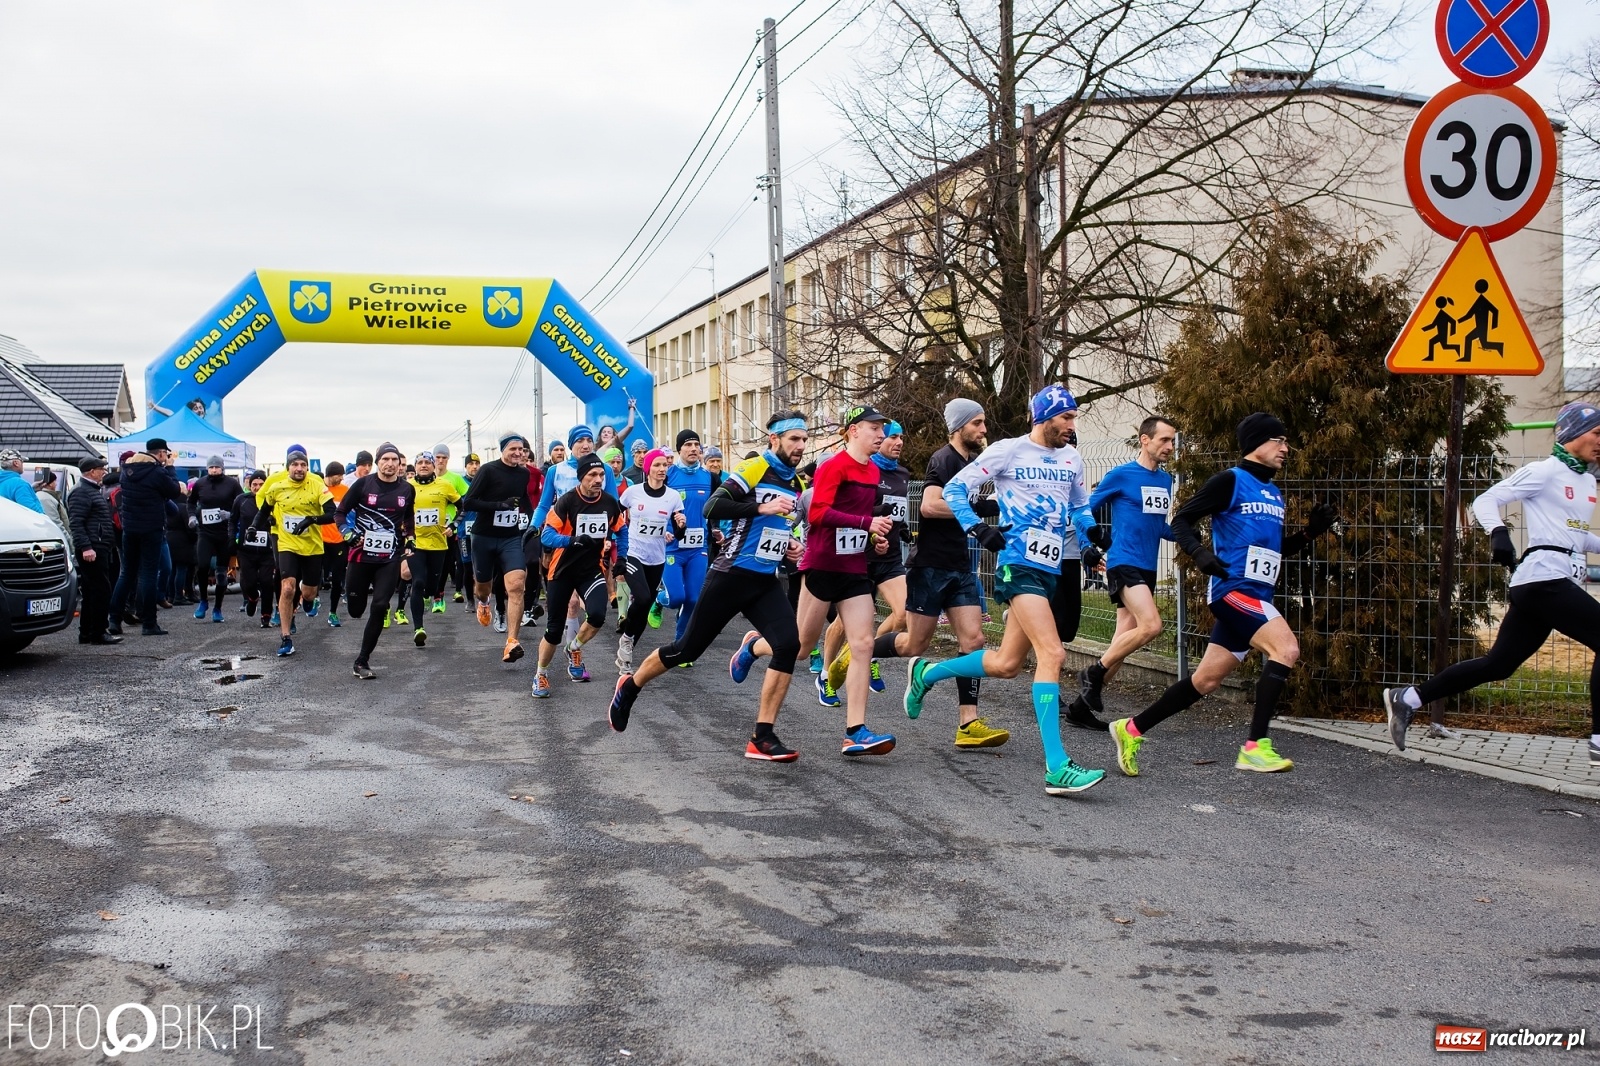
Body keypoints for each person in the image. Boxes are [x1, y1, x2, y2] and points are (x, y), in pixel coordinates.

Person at [1107, 412, 1337, 776]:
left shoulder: (1273, 493)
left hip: (1258, 594)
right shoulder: (1230, 480)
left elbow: (1275, 552)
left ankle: (1131, 728)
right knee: (1287, 649)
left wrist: (1310, 533)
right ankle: (1254, 747)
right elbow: (1182, 519)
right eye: (1279, 440)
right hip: (1232, 591)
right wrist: (1200, 555)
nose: (1285, 448)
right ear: (1257, 444)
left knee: (1206, 680)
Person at [904, 386, 1107, 794]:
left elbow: (1079, 506)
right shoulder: (1008, 450)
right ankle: (1057, 767)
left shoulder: (1072, 458)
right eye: (1066, 417)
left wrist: (1088, 541)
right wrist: (977, 527)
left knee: (1005, 663)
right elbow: (955, 491)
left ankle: (928, 673)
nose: (1072, 425)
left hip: (1049, 567)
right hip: (1018, 566)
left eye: (1074, 418)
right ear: (1045, 418)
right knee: (1053, 652)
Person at [1385, 402, 1600, 765]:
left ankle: (1408, 699)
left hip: (1550, 581)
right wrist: (1498, 532)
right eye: (1597, 432)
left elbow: (1577, 538)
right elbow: (1487, 500)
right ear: (1572, 433)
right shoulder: (1544, 471)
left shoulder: (1585, 480)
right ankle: (1598, 738)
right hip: (1543, 578)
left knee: (1498, 665)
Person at [609, 411, 809, 762]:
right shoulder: (755, 468)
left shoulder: (797, 483)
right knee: (686, 650)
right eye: (794, 439)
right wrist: (762, 507)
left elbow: (784, 523)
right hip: (731, 574)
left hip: (764, 579)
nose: (801, 446)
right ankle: (631, 685)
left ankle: (762, 736)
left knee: (789, 645)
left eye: (804, 440)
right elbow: (716, 505)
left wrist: (791, 543)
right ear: (775, 439)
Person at [746, 406, 901, 755]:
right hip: (821, 567)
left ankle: (855, 731)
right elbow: (817, 513)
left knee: (862, 644)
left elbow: (859, 518)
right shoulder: (834, 465)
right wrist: (866, 524)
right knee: (800, 648)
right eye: (875, 428)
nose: (880, 434)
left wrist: (873, 536)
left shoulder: (873, 470)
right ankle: (754, 646)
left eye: (883, 429)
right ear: (853, 431)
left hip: (854, 570)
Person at [854, 399, 1009, 747]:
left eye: (984, 423)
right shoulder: (944, 459)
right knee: (914, 643)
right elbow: (930, 505)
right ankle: (859, 652)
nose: (983, 430)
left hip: (960, 565)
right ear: (959, 427)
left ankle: (967, 724)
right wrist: (983, 507)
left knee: (974, 642)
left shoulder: (973, 463)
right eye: (977, 423)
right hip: (931, 567)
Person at [1069, 416, 1178, 728]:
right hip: (1122, 562)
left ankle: (1080, 709)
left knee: (1122, 640)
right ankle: (1092, 673)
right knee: (1152, 625)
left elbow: (1157, 526)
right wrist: (1086, 547)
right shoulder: (1121, 475)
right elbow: (1082, 509)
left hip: (1147, 567)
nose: (1170, 447)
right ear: (1145, 440)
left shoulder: (1166, 480)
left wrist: (1185, 536)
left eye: (1172, 441)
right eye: (1164, 440)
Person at [821, 420, 912, 704]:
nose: (897, 442)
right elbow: (846, 509)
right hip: (860, 554)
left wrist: (902, 526)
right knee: (842, 623)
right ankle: (825, 675)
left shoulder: (903, 474)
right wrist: (875, 514)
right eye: (891, 437)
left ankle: (870, 651)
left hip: (890, 555)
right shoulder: (863, 471)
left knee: (904, 614)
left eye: (900, 437)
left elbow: (896, 511)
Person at [531, 453, 624, 698]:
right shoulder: (567, 502)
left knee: (597, 615)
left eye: (602, 475)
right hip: (561, 571)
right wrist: (573, 541)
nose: (598, 479)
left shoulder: (609, 503)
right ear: (581, 477)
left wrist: (621, 558)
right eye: (593, 475)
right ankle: (541, 674)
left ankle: (574, 648)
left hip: (590, 571)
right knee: (553, 630)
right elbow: (546, 537)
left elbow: (621, 530)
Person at [456, 432, 537, 662]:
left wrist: (533, 522)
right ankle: (483, 602)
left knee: (516, 584)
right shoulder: (488, 470)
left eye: (521, 449)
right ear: (502, 450)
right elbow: (468, 502)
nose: (518, 453)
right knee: (483, 586)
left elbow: (524, 500)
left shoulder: (523, 473)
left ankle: (512, 641)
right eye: (513, 449)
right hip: (484, 537)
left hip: (510, 537)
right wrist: (497, 506)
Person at [338, 443, 415, 679]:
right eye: (385, 459)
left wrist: (410, 539)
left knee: (380, 606)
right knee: (355, 610)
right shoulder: (363, 484)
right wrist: (347, 532)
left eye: (395, 460)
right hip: (361, 556)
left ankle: (362, 660)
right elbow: (340, 512)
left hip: (389, 557)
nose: (390, 464)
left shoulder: (406, 490)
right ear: (378, 462)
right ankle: (353, 602)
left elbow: (409, 516)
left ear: (400, 464)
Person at [254, 445, 337, 657]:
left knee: (308, 591)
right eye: (295, 464)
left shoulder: (317, 484)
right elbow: (263, 509)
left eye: (303, 465)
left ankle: (308, 600)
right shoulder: (276, 485)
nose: (299, 468)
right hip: (287, 543)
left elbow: (332, 513)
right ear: (288, 466)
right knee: (288, 587)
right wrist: (254, 526)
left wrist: (311, 520)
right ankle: (285, 637)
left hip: (312, 546)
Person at [615, 448, 685, 671]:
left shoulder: (673, 497)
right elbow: (615, 514)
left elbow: (680, 532)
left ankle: (626, 655)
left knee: (643, 610)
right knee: (644, 599)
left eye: (665, 465)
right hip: (634, 554)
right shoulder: (633, 492)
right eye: (657, 465)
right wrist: (618, 536)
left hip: (657, 558)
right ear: (648, 468)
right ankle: (626, 639)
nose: (662, 469)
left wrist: (680, 525)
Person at [110, 437, 185, 636]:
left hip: (130, 529)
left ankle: (114, 620)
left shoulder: (126, 471)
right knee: (149, 575)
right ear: (160, 453)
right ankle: (149, 623)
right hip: (151, 529)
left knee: (126, 574)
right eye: (165, 454)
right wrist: (170, 468)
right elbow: (175, 491)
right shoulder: (157, 472)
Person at [649, 430, 715, 652]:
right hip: (671, 547)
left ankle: (681, 645)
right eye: (688, 445)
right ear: (679, 450)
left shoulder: (708, 477)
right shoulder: (669, 475)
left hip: (698, 548)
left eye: (697, 444)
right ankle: (659, 601)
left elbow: (713, 509)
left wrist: (716, 530)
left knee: (693, 600)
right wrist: (661, 530)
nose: (694, 448)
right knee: (676, 597)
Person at [405, 450, 461, 646]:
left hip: (438, 544)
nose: (423, 465)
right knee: (418, 582)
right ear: (415, 466)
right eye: (419, 462)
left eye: (427, 462)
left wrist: (453, 526)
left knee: (432, 586)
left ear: (433, 466)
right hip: (414, 542)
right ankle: (418, 628)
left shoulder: (444, 486)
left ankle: (430, 596)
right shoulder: (406, 486)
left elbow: (464, 507)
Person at [68, 456, 120, 644]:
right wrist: (86, 547)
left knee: (92, 591)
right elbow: (76, 523)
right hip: (93, 547)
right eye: (101, 469)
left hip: (98, 545)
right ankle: (98, 632)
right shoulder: (82, 492)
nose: (104, 472)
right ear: (91, 471)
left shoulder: (90, 490)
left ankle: (87, 633)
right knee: (100, 590)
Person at [189, 456, 242, 623]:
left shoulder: (232, 484)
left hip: (224, 533)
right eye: (211, 467)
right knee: (203, 566)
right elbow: (190, 502)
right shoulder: (200, 483)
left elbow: (242, 503)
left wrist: (231, 515)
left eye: (216, 467)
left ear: (222, 468)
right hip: (205, 532)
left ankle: (218, 607)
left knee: (221, 573)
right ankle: (203, 601)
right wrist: (191, 517)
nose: (213, 470)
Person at [232, 471, 275, 626]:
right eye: (254, 485)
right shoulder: (241, 500)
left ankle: (266, 616)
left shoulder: (271, 500)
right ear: (249, 485)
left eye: (261, 485)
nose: (257, 488)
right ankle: (252, 598)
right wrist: (232, 539)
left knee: (266, 582)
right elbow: (232, 520)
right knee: (248, 582)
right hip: (246, 550)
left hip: (267, 551)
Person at [433, 444, 471, 608]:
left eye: (444, 458)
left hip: (447, 528)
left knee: (444, 564)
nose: (441, 461)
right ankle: (428, 592)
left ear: (448, 459)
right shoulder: (425, 476)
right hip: (426, 528)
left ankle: (438, 596)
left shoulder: (455, 479)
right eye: (438, 457)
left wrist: (455, 523)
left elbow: (467, 500)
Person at [318, 461, 350, 627]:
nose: (342, 478)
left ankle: (333, 612)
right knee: (315, 575)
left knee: (338, 579)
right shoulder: (319, 488)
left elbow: (352, 512)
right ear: (330, 474)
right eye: (339, 474)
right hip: (320, 540)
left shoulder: (345, 491)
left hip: (339, 541)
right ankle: (313, 598)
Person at [32, 469, 74, 554]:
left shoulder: (50, 496)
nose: (56, 484)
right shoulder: (45, 498)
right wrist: (69, 541)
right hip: (55, 539)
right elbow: (56, 522)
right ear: (51, 483)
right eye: (55, 481)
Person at [0, 448, 44, 514]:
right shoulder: (20, 484)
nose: (23, 463)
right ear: (16, 463)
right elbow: (33, 513)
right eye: (22, 461)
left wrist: (31, 489)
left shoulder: (3, 481)